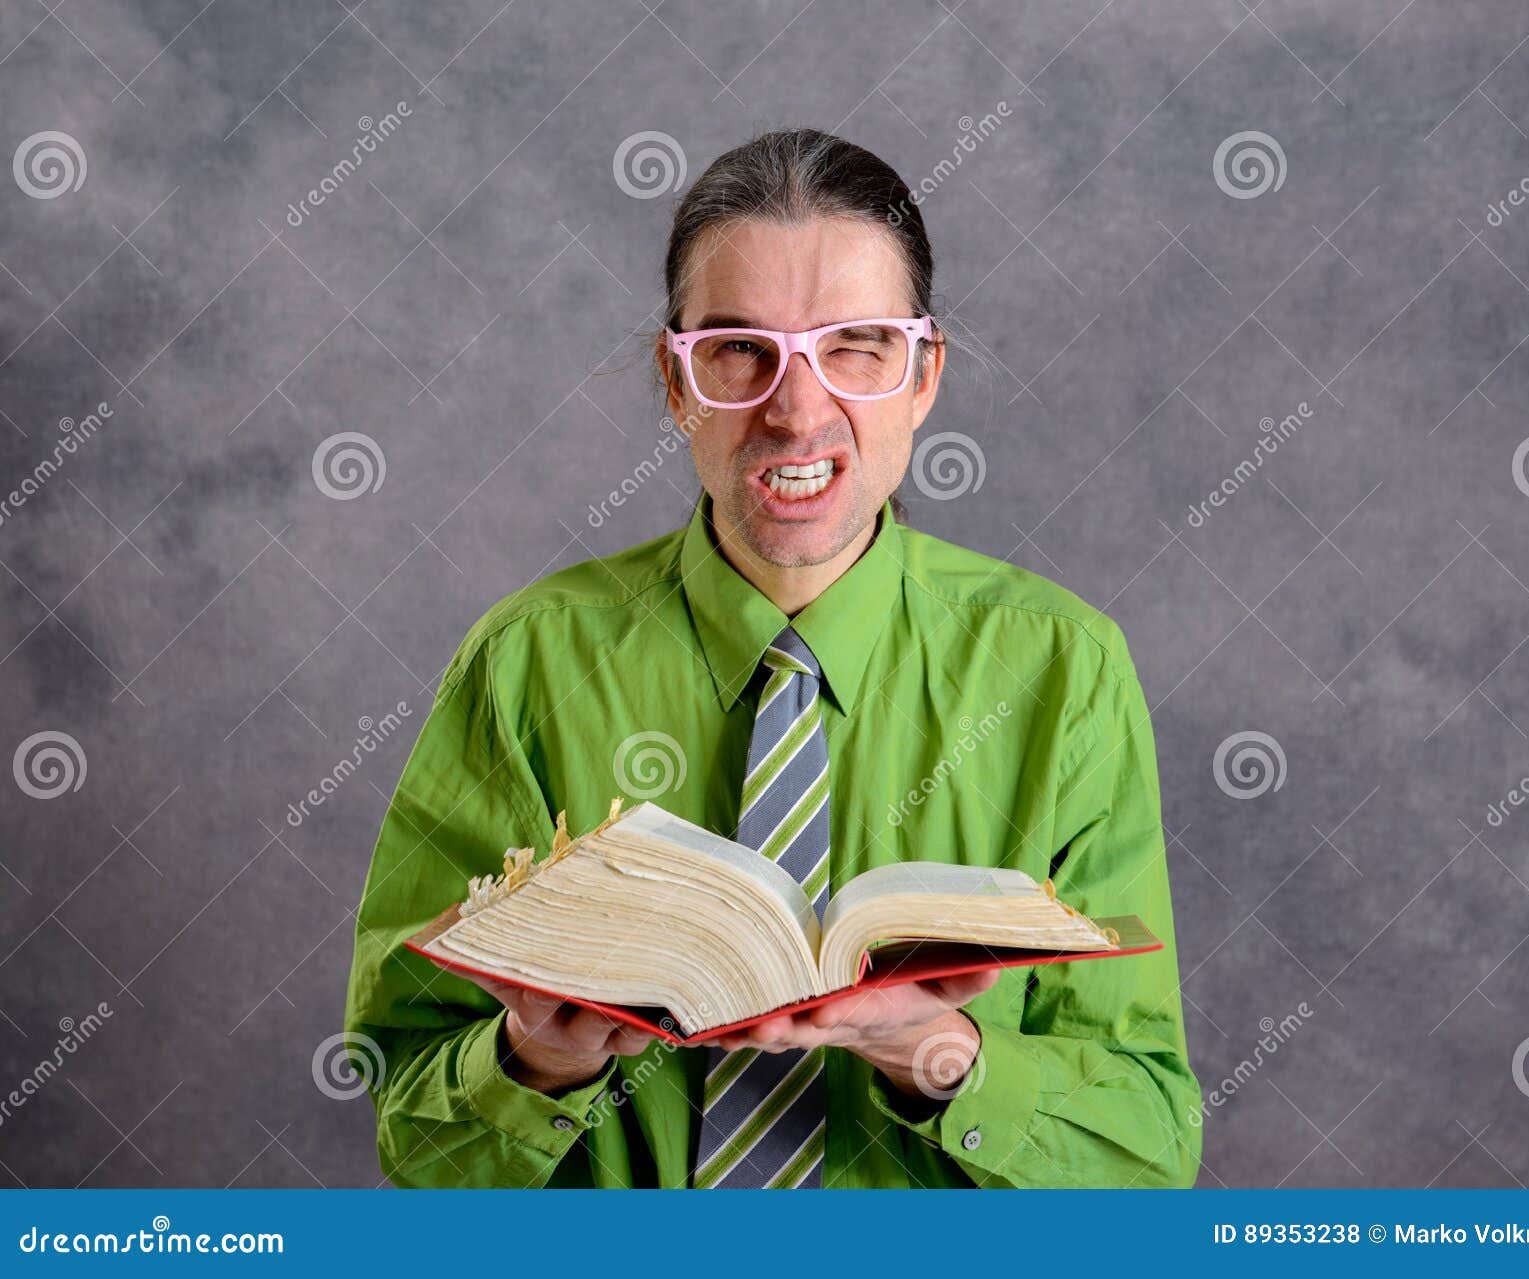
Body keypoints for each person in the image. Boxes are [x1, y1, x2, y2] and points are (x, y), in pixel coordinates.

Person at [344, 128, 1201, 1189]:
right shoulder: (527, 662)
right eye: (739, 350)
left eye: (856, 345)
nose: (796, 411)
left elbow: (1147, 1155)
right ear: (675, 382)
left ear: (923, 375)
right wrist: (537, 1060)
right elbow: (411, 1138)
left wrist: (932, 1054)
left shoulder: (1063, 672)